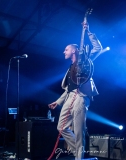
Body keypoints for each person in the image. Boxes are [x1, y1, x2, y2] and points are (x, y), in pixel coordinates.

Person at [48, 22, 102, 160]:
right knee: (61, 127)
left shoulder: (85, 61)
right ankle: (79, 151)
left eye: (66, 49)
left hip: (80, 98)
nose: (63, 51)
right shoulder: (70, 69)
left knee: (79, 132)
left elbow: (98, 47)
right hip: (70, 97)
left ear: (73, 50)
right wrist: (58, 102)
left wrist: (88, 31)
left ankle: (79, 156)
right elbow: (68, 89)